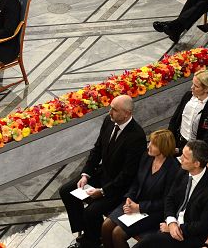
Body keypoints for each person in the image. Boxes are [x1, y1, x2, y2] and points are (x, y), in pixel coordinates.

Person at [59, 95, 147, 248]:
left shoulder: (136, 136)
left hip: (118, 187)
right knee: (66, 191)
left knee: (91, 212)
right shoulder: (109, 121)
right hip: (102, 174)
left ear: (126, 113)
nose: (109, 112)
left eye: (114, 110)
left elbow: (127, 175)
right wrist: (85, 174)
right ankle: (88, 233)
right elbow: (97, 149)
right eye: (110, 108)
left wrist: (103, 191)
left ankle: (91, 242)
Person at [135, 140, 208, 248]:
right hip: (172, 225)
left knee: (147, 242)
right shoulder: (183, 171)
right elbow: (170, 198)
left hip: (189, 236)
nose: (180, 158)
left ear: (196, 164)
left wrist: (177, 228)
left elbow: (203, 225)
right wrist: (171, 222)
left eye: (185, 157)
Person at [101, 129, 180, 248]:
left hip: (153, 212)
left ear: (163, 147)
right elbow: (136, 182)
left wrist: (139, 207)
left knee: (118, 234)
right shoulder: (146, 157)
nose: (149, 146)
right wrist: (129, 198)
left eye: (153, 144)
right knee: (106, 226)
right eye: (150, 142)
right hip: (135, 203)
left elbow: (166, 202)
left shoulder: (173, 169)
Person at [168, 69, 208, 151]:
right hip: (178, 141)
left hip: (195, 149)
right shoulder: (187, 96)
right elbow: (175, 119)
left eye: (196, 86)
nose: (192, 87)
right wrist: (169, 140)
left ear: (206, 89)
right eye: (192, 84)